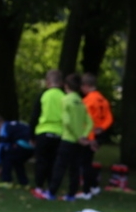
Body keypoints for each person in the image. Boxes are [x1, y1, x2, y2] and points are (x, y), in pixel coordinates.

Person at [35, 73, 93, 201]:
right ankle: (71, 195)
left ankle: (51, 192)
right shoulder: (81, 102)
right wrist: (84, 136)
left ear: (66, 86)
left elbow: (66, 121)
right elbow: (90, 122)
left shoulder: (65, 100)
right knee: (74, 169)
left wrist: (77, 136)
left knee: (59, 167)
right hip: (79, 142)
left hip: (68, 139)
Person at [80, 73, 113, 195]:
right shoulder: (103, 99)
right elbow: (109, 118)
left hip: (90, 135)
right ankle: (93, 185)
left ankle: (88, 189)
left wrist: (90, 138)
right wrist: (102, 129)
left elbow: (88, 121)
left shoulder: (88, 101)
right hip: (98, 134)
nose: (81, 90)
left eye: (82, 87)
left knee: (85, 163)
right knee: (87, 162)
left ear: (87, 86)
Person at [32, 70, 65, 191]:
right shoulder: (64, 97)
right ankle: (51, 187)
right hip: (59, 133)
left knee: (41, 161)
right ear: (61, 83)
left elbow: (35, 116)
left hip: (43, 131)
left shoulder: (43, 95)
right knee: (54, 162)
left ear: (47, 82)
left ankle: (39, 186)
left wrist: (31, 135)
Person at [0, 112, 34, 187]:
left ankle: (6, 181)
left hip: (24, 143)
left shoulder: (4, 128)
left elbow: (1, 147)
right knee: (17, 161)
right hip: (32, 146)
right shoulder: (13, 125)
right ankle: (24, 183)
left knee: (7, 156)